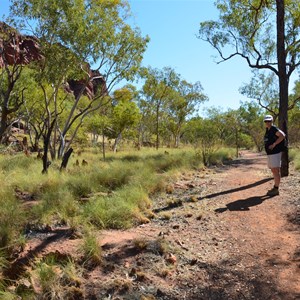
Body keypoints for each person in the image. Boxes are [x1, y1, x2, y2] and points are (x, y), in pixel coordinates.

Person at [263, 115, 286, 196]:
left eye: (269, 121)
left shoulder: (273, 129)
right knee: (273, 170)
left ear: (272, 121)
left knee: (275, 170)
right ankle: (275, 187)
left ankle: (276, 189)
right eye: (266, 121)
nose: (267, 122)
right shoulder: (268, 130)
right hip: (270, 154)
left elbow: (282, 135)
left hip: (275, 153)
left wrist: (274, 144)